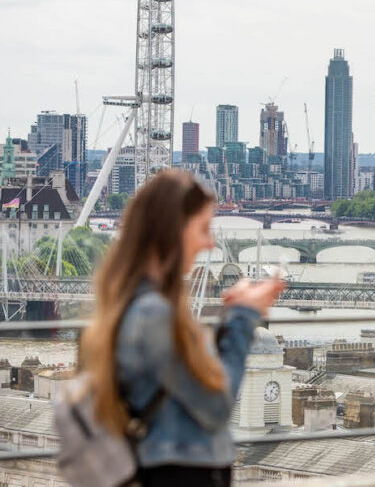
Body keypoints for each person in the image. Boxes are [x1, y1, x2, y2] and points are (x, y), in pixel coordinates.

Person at [80, 170, 284, 487]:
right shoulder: (153, 314)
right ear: (171, 230)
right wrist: (243, 317)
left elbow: (188, 387)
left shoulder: (137, 304)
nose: (211, 242)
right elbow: (216, 406)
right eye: (203, 228)